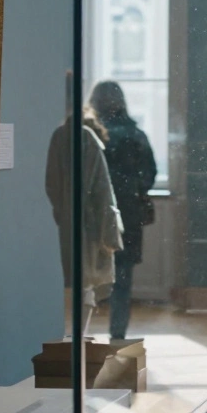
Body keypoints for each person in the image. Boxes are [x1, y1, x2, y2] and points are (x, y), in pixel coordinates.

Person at [45, 76, 123, 334]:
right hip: (90, 225)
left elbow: (52, 186)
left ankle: (74, 340)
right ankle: (76, 340)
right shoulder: (86, 138)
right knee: (85, 284)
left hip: (71, 222)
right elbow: (103, 190)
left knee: (78, 282)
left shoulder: (60, 136)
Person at [89, 81, 158, 341]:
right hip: (128, 213)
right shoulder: (136, 135)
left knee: (91, 276)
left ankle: (86, 333)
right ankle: (117, 335)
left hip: (97, 212)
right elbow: (148, 175)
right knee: (123, 279)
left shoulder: (94, 135)